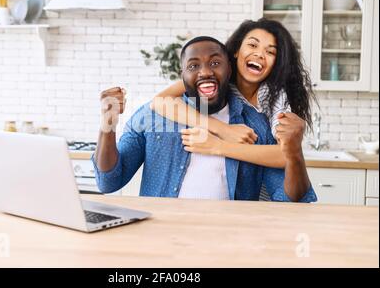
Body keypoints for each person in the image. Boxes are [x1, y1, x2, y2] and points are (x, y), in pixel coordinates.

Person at [92, 36, 316, 202]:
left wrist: (294, 151)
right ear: (183, 76)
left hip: (229, 242)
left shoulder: (254, 124)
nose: (205, 72)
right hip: (160, 238)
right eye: (193, 66)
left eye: (215, 63)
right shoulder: (152, 116)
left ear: (230, 71)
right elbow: (109, 181)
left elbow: (291, 199)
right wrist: (107, 122)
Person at [151, 18, 317, 169]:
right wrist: (223, 130)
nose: (259, 54)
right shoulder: (217, 79)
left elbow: (286, 156)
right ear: (237, 50)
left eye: (270, 52)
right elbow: (159, 101)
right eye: (253, 45)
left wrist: (217, 146)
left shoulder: (275, 96)